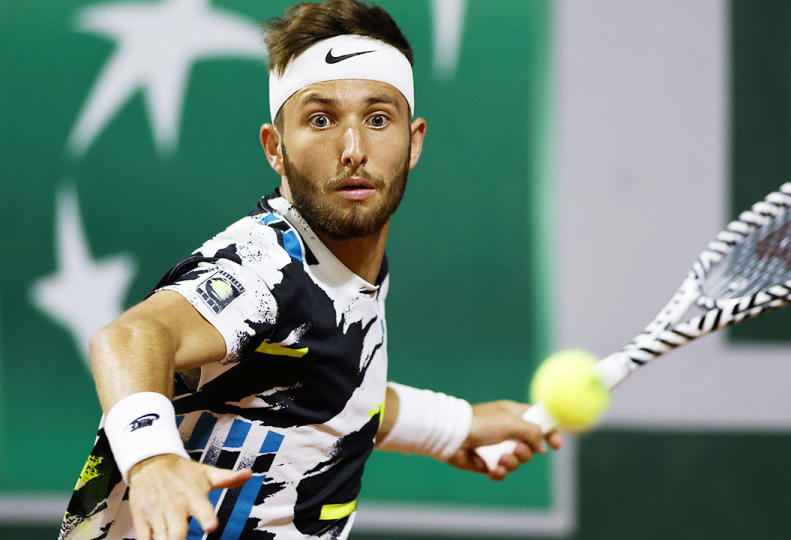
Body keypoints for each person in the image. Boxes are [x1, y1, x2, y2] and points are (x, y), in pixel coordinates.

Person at [58, 1, 560, 538]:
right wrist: (153, 458)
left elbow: (315, 387)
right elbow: (130, 336)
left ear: (412, 142)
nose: (353, 149)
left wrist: (454, 427)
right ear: (275, 148)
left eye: (377, 119)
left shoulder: (341, 269)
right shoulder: (265, 270)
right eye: (321, 120)